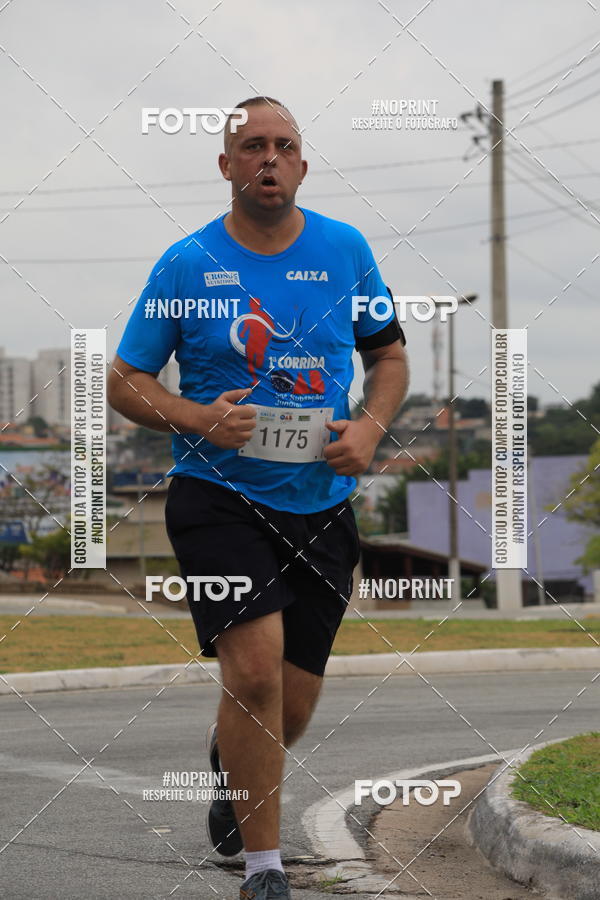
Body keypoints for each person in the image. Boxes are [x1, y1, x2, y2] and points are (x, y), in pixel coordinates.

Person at [108, 95, 408, 900]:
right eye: (251, 146)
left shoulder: (345, 251)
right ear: (227, 165)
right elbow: (125, 380)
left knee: (293, 702)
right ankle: (264, 870)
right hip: (217, 495)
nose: (268, 159)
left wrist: (372, 428)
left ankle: (228, 769)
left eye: (283, 146)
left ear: (303, 164)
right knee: (253, 675)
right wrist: (195, 415)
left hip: (321, 502)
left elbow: (389, 359)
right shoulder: (186, 264)